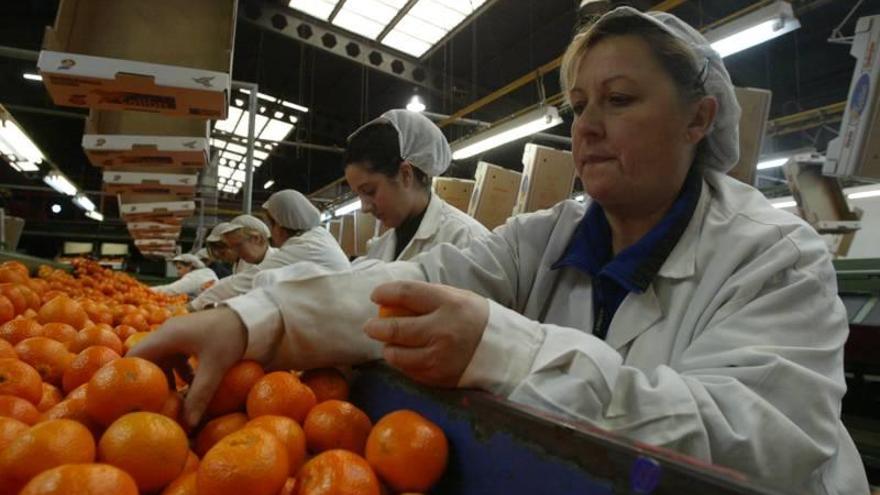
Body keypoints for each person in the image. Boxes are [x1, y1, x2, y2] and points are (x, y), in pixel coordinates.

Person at [132, 7, 868, 494]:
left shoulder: (777, 255)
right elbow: (410, 282)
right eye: (579, 106)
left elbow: (749, 442)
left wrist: (507, 351)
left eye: (618, 100)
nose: (586, 125)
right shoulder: (549, 234)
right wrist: (251, 321)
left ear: (698, 118)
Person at [188, 190, 349, 310]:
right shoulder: (316, 237)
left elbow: (245, 282)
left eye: (271, 224)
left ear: (280, 224)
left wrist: (193, 306)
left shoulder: (304, 247)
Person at [150, 254, 218, 298]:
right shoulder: (208, 271)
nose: (178, 272)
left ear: (190, 266)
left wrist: (146, 290)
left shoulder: (193, 277)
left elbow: (171, 290)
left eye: (179, 268)